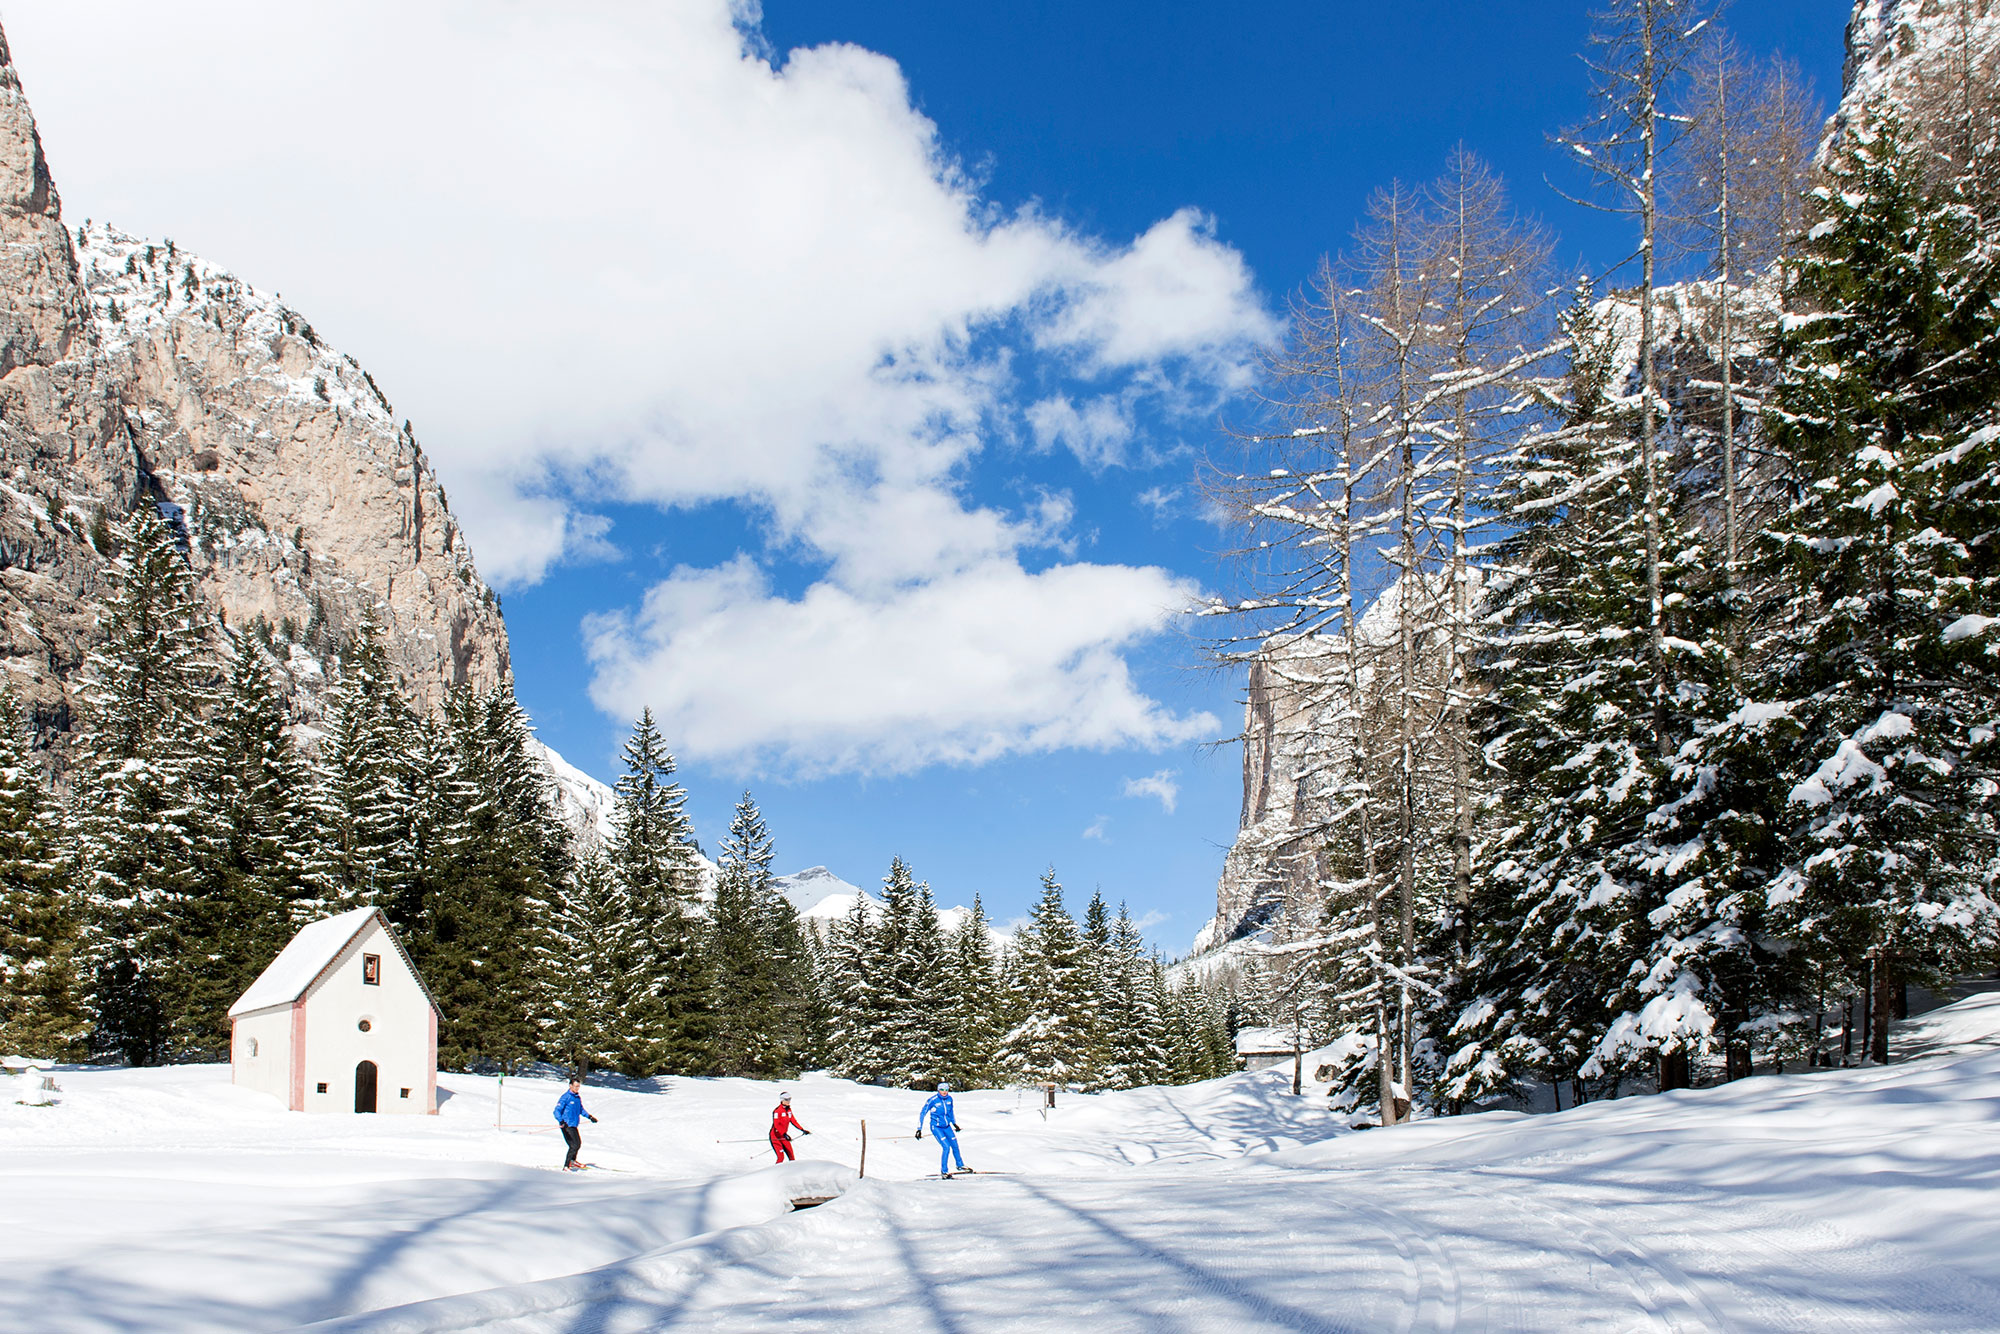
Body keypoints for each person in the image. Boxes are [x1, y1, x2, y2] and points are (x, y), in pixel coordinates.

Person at [915, 1081, 967, 1177]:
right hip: (936, 1127)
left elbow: (950, 1112)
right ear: (938, 1090)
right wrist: (919, 1129)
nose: (944, 1092)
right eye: (942, 1090)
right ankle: (944, 1171)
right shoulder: (933, 1100)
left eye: (946, 1090)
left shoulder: (949, 1099)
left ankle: (960, 1165)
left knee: (955, 1145)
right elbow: (923, 1113)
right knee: (946, 1147)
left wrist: (954, 1124)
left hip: (947, 1126)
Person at [554, 1076, 597, 1171]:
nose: (577, 1088)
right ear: (570, 1086)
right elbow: (557, 1110)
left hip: (574, 1124)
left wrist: (590, 1117)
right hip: (566, 1125)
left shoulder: (577, 1098)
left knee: (578, 1144)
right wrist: (561, 1121)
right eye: (575, 1086)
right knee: (574, 1145)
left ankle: (572, 1161)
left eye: (578, 1086)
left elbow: (581, 1109)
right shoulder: (566, 1097)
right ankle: (566, 1165)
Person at [769, 1090, 811, 1163]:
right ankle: (776, 1172)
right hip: (775, 1136)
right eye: (786, 1099)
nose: (788, 1101)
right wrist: (784, 1134)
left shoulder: (788, 1110)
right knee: (781, 1157)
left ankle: (792, 1172)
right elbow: (776, 1125)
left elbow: (793, 1121)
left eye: (789, 1099)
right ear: (782, 1100)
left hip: (784, 1136)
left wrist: (802, 1130)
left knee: (791, 1156)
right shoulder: (777, 1111)